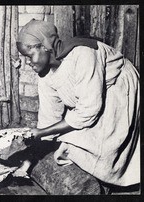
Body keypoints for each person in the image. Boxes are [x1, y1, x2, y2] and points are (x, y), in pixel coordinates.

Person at [15, 19, 140, 192]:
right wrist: (29, 159)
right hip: (91, 103)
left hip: (118, 91)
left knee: (104, 145)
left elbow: (90, 109)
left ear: (44, 46)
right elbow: (48, 118)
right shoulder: (45, 76)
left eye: (28, 56)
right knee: (68, 145)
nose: (27, 62)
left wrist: (42, 133)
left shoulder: (83, 54)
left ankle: (109, 181)